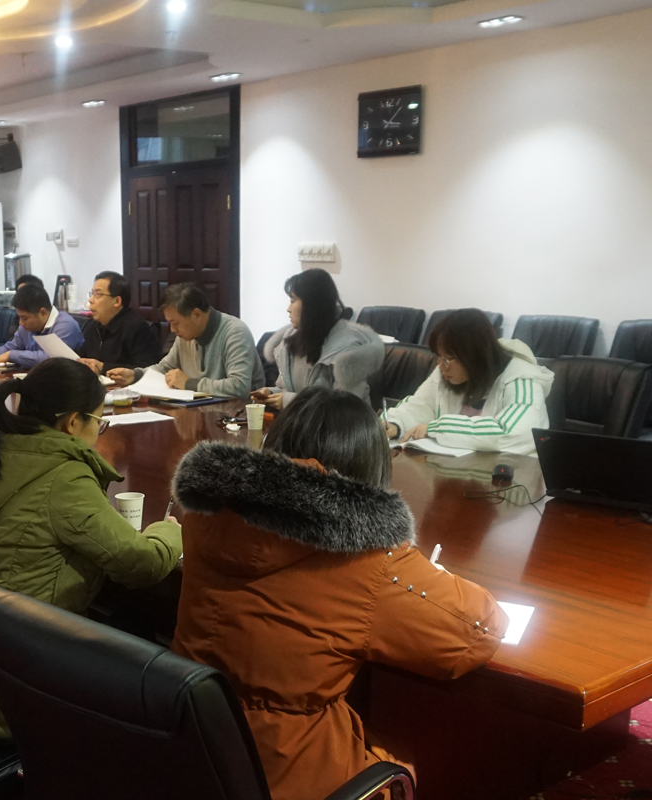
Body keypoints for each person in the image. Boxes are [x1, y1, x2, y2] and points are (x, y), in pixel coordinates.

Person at [170, 386, 507, 800]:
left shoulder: (205, 512)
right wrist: (406, 563)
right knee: (408, 758)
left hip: (191, 755)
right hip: (292, 777)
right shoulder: (365, 558)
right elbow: (478, 630)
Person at [0, 358, 183, 743]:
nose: (99, 431)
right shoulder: (63, 475)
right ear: (72, 422)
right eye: (99, 421)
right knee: (149, 649)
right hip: (14, 691)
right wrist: (169, 533)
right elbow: (142, 563)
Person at [384, 308, 554, 454]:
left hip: (505, 474)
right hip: (450, 469)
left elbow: (512, 432)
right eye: (439, 357)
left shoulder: (522, 378)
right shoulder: (445, 371)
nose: (441, 366)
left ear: (474, 356)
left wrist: (435, 428)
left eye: (448, 359)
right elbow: (422, 405)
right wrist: (396, 423)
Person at [254, 270, 382, 410]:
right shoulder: (291, 339)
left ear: (312, 305)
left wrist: (290, 401)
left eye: (293, 301)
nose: (288, 309)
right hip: (300, 421)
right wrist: (271, 394)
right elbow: (286, 389)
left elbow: (346, 408)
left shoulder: (349, 350)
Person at [107, 283, 262, 398]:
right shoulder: (186, 336)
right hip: (200, 411)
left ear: (196, 315)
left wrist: (188, 383)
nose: (172, 330)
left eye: (176, 323)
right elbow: (165, 367)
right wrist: (135, 375)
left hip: (237, 417)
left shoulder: (235, 333)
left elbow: (239, 386)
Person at [0, 283, 84, 369]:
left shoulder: (65, 325)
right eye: (19, 317)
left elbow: (52, 359)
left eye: (24, 318)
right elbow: (11, 347)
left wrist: (12, 355)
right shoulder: (25, 327)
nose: (21, 323)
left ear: (43, 313)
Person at [77, 270, 161, 375]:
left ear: (117, 301)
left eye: (97, 294)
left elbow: (146, 369)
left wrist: (104, 367)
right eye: (92, 294)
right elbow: (82, 357)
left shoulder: (137, 328)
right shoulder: (91, 326)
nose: (90, 300)